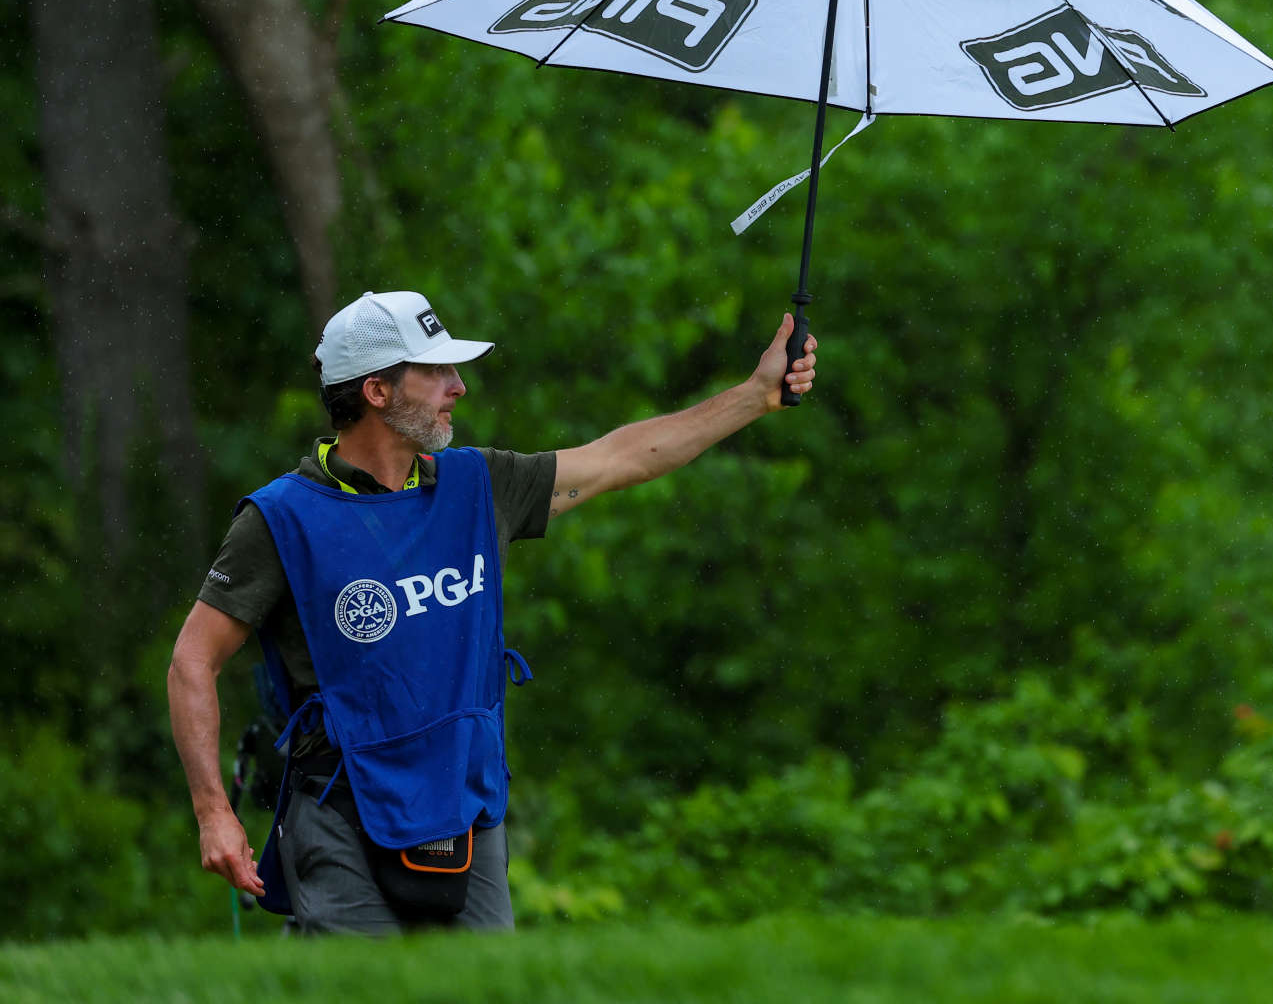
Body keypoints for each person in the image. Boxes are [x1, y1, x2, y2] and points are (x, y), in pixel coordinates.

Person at [166, 289, 818, 934]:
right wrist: (212, 811)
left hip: (468, 809)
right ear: (376, 391)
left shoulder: (480, 484)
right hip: (338, 810)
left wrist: (754, 395)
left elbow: (622, 458)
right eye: (437, 371)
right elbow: (193, 661)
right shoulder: (279, 519)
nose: (459, 387)